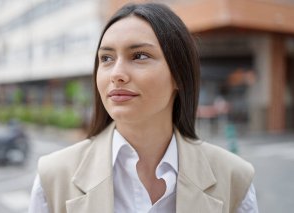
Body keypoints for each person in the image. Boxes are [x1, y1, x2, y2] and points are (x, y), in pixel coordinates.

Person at [29, 3, 258, 213]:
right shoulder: (53, 177)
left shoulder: (234, 180)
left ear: (179, 75)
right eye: (106, 58)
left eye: (139, 56)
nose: (116, 74)